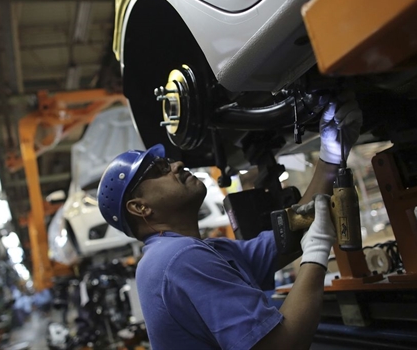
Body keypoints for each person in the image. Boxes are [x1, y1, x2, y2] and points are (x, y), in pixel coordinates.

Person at [97, 92, 362, 349]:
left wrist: (330, 157)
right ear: (140, 207)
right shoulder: (179, 258)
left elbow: (288, 236)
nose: (176, 165)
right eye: (160, 170)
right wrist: (316, 255)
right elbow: (282, 346)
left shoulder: (200, 252)